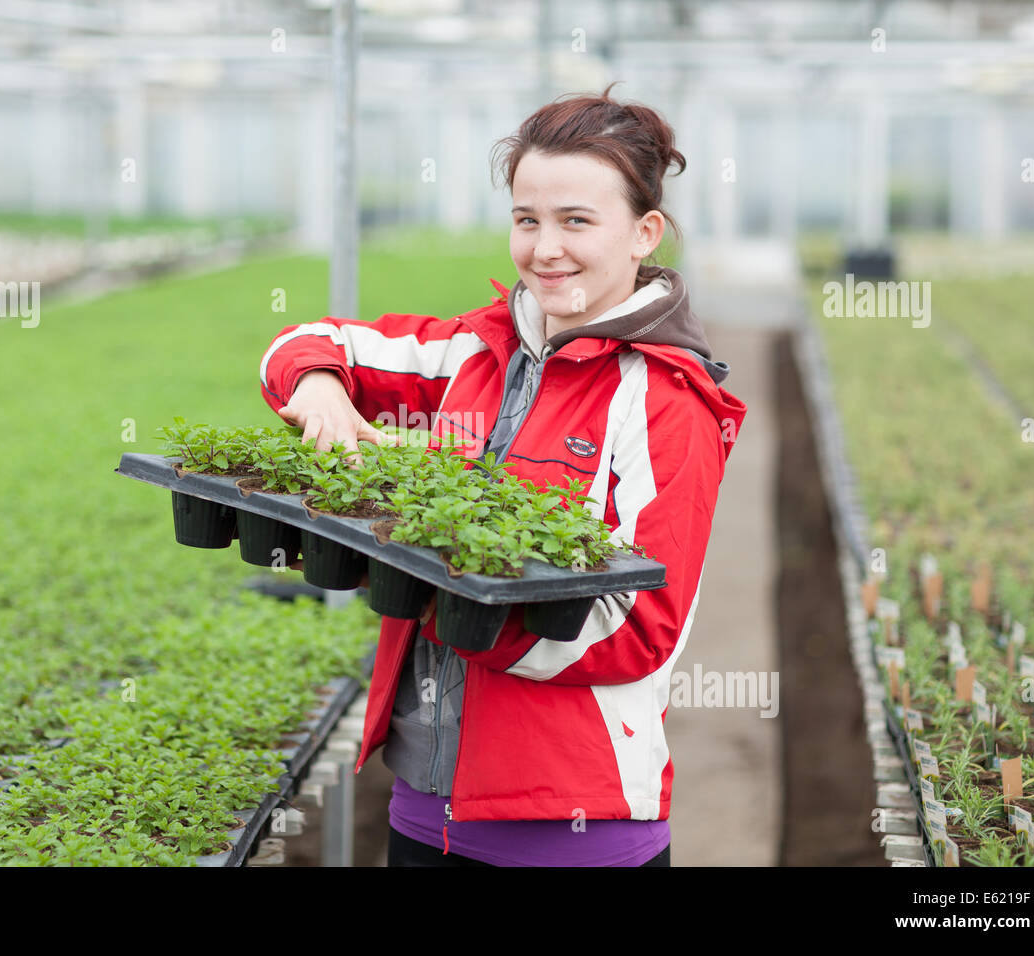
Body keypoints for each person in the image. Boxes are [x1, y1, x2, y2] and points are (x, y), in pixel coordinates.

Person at [259, 83, 747, 867]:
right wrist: (318, 387)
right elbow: (308, 341)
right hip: (422, 806)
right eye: (527, 219)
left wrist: (450, 606)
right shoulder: (475, 350)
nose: (544, 249)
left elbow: (639, 627)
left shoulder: (663, 399)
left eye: (576, 221)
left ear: (643, 233)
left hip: (571, 830)